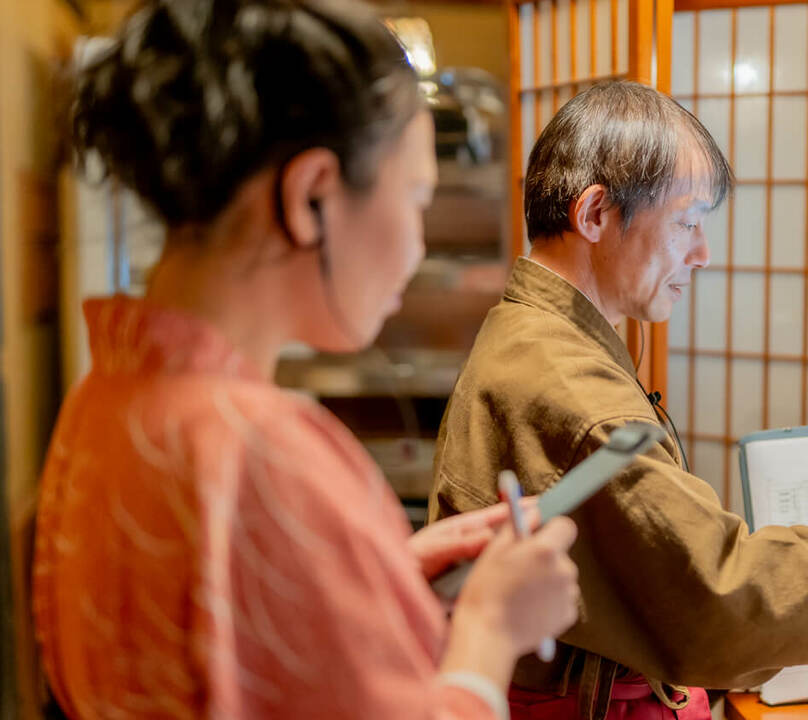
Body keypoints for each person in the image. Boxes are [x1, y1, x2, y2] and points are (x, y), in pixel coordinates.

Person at [32, 2, 580, 718]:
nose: (416, 247)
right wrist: (492, 631)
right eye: (415, 197)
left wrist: (380, 570)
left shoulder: (101, 398)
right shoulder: (267, 451)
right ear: (312, 194)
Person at [429, 81, 808, 720]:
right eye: (688, 222)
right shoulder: (570, 385)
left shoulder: (533, 332)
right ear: (596, 215)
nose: (703, 254)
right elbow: (718, 599)